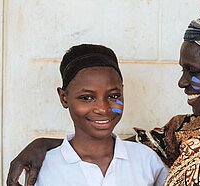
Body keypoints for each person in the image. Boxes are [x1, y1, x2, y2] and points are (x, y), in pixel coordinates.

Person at [7, 6, 200, 186]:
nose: (182, 82)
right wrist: (43, 146)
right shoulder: (183, 132)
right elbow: (101, 143)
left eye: (193, 71)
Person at [13, 44, 168, 186]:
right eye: (86, 98)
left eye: (113, 96)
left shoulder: (146, 161)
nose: (103, 109)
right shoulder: (43, 168)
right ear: (64, 97)